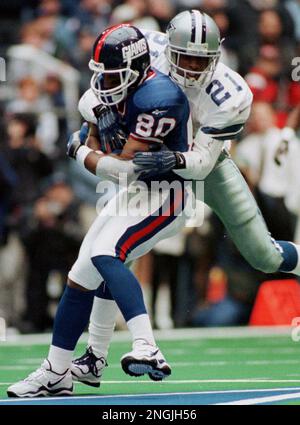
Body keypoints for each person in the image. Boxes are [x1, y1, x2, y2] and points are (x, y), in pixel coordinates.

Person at [68, 10, 300, 389]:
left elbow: (203, 162)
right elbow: (90, 94)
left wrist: (173, 158)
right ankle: (96, 355)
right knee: (115, 252)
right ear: (168, 49)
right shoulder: (146, 48)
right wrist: (101, 114)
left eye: (200, 60)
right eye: (185, 58)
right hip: (145, 156)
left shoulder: (231, 92)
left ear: (216, 57)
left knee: (264, 256)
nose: (191, 69)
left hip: (200, 162)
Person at [7, 23, 193, 397]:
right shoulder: (117, 88)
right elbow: (90, 107)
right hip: (137, 192)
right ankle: (61, 370)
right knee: (81, 274)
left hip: (167, 193)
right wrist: (95, 125)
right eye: (103, 76)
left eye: (114, 76)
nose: (106, 85)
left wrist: (81, 151)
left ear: (137, 69)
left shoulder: (160, 97)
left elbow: (122, 166)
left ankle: (146, 346)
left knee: (108, 252)